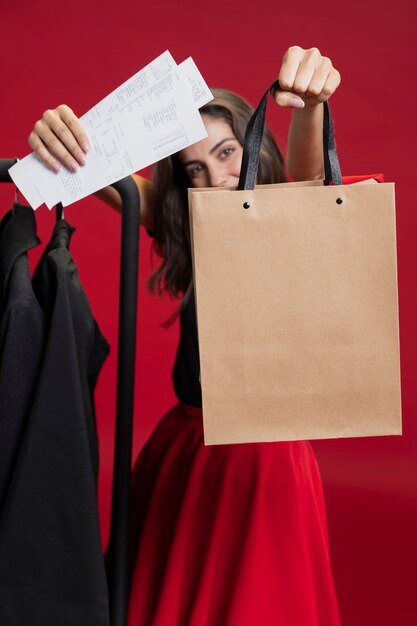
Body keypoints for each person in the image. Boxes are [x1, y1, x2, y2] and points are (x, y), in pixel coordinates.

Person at [29, 46, 342, 626]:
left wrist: (310, 108)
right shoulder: (193, 221)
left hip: (263, 465)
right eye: (194, 170)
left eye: (227, 154)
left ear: (256, 154)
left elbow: (309, 177)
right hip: (184, 454)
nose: (216, 179)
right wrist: (57, 134)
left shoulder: (290, 219)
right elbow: (100, 173)